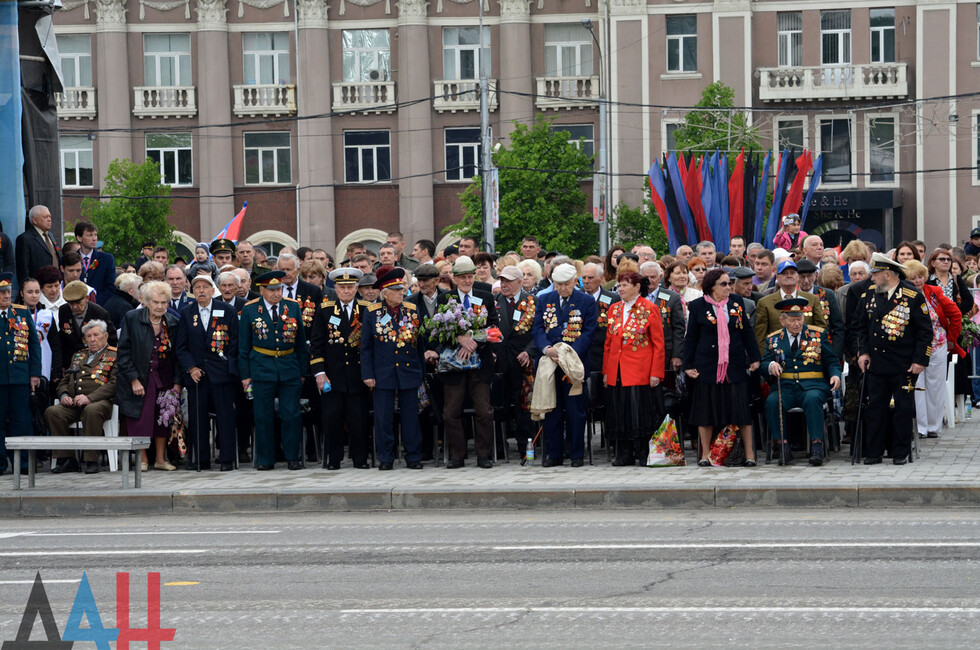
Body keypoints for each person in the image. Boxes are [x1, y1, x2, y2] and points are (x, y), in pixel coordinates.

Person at [854, 254, 932, 465]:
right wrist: (863, 352)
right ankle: (874, 452)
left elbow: (925, 331)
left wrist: (920, 360)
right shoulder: (869, 295)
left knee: (902, 409)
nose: (872, 279)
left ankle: (900, 452)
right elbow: (860, 327)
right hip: (876, 363)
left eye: (875, 274)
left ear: (887, 274)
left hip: (903, 364)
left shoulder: (912, 296)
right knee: (875, 408)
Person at [682, 267, 761, 467]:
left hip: (733, 363)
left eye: (730, 283)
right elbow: (691, 337)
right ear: (711, 287)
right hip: (707, 364)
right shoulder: (698, 305)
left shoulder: (737, 302)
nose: (729, 287)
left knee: (741, 411)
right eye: (724, 284)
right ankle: (705, 454)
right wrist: (688, 365)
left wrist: (754, 357)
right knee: (706, 411)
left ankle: (750, 454)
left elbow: (747, 332)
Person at [434, 256, 499, 469]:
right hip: (454, 364)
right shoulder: (445, 298)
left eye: (470, 276)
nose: (467, 281)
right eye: (463, 277)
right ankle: (457, 456)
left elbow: (494, 327)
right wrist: (459, 339)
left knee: (484, 410)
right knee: (451, 411)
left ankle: (483, 455)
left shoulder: (485, 296)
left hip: (480, 363)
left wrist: (473, 340)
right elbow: (438, 331)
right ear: (455, 278)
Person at [238, 271, 308, 471]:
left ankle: (292, 457)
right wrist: (246, 375)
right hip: (261, 367)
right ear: (261, 290)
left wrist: (302, 371)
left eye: (279, 289)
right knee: (263, 415)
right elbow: (243, 346)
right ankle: (265, 458)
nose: (276, 294)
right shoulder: (250, 309)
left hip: (289, 366)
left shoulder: (292, 306)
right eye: (271, 290)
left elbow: (301, 342)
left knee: (291, 415)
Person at [532, 263, 597, 467]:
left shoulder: (585, 301)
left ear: (574, 282)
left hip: (573, 364)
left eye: (567, 284)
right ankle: (555, 453)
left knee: (575, 411)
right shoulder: (544, 299)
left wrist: (569, 353)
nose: (563, 289)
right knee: (552, 409)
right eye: (558, 284)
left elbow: (589, 331)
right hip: (550, 362)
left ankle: (577, 453)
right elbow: (538, 328)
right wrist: (546, 348)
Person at [762, 298, 842, 466]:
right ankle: (782, 446)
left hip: (813, 385)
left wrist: (835, 375)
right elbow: (763, 363)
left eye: (799, 319)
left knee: (812, 400)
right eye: (792, 320)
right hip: (785, 386)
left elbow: (832, 361)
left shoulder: (817, 335)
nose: (797, 324)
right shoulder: (774, 339)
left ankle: (817, 446)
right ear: (782, 320)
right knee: (772, 402)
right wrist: (770, 365)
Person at [360, 266, 425, 470]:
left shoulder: (412, 310)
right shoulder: (372, 312)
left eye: (402, 289)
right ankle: (386, 458)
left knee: (410, 418)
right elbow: (366, 347)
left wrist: (420, 372)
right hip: (383, 372)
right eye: (397, 290)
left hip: (408, 371)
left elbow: (419, 344)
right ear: (385, 293)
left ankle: (413, 457)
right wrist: (368, 374)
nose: (401, 293)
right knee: (383, 418)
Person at [175, 275, 239, 471]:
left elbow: (235, 343)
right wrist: (191, 368)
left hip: (221, 374)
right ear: (192, 292)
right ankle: (200, 459)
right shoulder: (187, 313)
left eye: (205, 287)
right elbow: (181, 347)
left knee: (225, 417)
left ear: (213, 290)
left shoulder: (227, 310)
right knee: (197, 418)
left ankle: (227, 458)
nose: (201, 291)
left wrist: (229, 366)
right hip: (197, 375)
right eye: (197, 288)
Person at [116, 281, 182, 471]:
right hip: (140, 377)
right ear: (145, 301)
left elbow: (178, 355)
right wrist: (133, 379)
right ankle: (142, 458)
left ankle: (160, 460)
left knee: (163, 417)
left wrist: (177, 383)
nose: (160, 306)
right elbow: (124, 353)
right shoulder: (132, 318)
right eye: (155, 302)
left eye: (164, 302)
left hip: (165, 376)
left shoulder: (173, 322)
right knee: (140, 418)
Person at [310, 268, 371, 470]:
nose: (346, 291)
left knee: (358, 420)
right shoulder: (325, 309)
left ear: (356, 288)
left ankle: (360, 459)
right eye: (342, 287)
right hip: (332, 375)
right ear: (335, 288)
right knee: (332, 419)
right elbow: (317, 343)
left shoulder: (366, 308)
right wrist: (320, 373)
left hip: (357, 375)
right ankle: (333, 460)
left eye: (350, 287)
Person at [602, 271, 665, 465]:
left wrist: (656, 372)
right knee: (620, 411)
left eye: (625, 285)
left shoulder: (649, 308)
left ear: (637, 287)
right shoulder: (614, 309)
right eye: (619, 285)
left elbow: (658, 344)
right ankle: (624, 453)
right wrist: (606, 371)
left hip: (639, 370)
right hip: (617, 369)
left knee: (640, 412)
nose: (620, 289)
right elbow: (608, 343)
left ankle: (644, 452)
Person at [46, 320, 117, 474]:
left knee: (91, 410)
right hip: (74, 403)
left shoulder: (114, 355)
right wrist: (64, 394)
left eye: (96, 335)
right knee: (53, 412)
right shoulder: (78, 355)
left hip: (100, 403)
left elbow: (113, 384)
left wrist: (90, 397)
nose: (92, 339)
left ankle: (91, 459)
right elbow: (64, 381)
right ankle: (66, 459)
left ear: (105, 336)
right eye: (88, 336)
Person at [905, 260, 963, 439]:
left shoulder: (935, 292)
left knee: (935, 387)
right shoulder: (904, 295)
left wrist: (951, 338)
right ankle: (921, 427)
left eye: (920, 276)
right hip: (913, 348)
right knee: (917, 386)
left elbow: (955, 313)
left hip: (937, 344)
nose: (917, 281)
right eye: (913, 277)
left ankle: (934, 426)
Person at [0, 273, 41, 475]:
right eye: (2, 293)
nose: (6, 296)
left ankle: (24, 464)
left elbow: (34, 344)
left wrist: (35, 373)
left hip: (20, 376)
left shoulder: (21, 313)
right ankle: (0, 464)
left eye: (8, 292)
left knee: (22, 421)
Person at [495, 265, 536, 454]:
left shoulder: (533, 302)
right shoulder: (494, 302)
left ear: (520, 283)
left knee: (524, 407)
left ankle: (525, 448)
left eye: (508, 281)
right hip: (501, 362)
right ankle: (500, 448)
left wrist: (529, 351)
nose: (504, 284)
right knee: (500, 405)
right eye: (502, 280)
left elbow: (540, 332)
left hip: (523, 362)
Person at [754, 260, 827, 352]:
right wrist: (767, 360)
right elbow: (761, 336)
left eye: (792, 273)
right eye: (784, 273)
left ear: (797, 277)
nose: (789, 275)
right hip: (777, 355)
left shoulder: (812, 299)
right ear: (777, 278)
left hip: (807, 355)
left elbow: (821, 329)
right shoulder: (765, 302)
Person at [57, 281, 117, 372]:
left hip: (95, 363)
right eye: (71, 304)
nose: (75, 307)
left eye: (78, 303)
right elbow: (62, 339)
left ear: (87, 298)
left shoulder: (99, 313)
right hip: (71, 362)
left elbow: (112, 339)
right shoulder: (63, 311)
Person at [642, 262, 685, 373]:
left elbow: (679, 328)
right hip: (640, 351)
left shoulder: (672, 297)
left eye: (653, 277)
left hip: (665, 352)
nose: (649, 280)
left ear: (660, 277)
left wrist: (677, 355)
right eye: (646, 277)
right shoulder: (634, 296)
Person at [796, 259, 845, 357]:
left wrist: (835, 354)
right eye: (802, 277)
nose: (806, 280)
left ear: (815, 275)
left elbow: (837, 327)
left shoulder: (827, 294)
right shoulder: (793, 294)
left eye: (809, 276)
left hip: (825, 348)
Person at [581, 261, 620, 373]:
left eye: (590, 277)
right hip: (581, 353)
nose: (587, 281)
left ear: (600, 278)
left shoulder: (613, 299)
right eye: (584, 277)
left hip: (603, 354)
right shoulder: (576, 297)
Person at [74, 221, 116, 306]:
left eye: (95, 235)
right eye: (90, 235)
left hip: (99, 306)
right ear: (79, 238)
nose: (94, 238)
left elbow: (111, 286)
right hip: (75, 306)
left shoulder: (106, 259)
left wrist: (93, 304)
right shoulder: (69, 259)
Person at [16, 205, 60, 285]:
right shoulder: (25, 239)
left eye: (49, 216)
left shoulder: (50, 235)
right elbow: (23, 268)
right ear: (35, 220)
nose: (49, 219)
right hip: (37, 286)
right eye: (45, 217)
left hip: (55, 284)